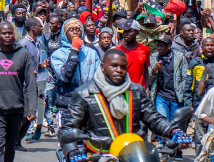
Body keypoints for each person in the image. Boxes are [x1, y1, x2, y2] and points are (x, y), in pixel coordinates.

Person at [59, 49, 187, 154]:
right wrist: (72, 151)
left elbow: (153, 118)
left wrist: (174, 131)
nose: (119, 70)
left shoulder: (137, 90)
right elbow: (68, 130)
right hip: (100, 154)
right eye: (114, 66)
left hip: (134, 154)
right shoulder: (84, 93)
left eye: (123, 67)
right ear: (103, 67)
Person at [0, 21, 38, 162]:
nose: (7, 36)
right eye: (3, 33)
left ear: (14, 35)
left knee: (11, 146)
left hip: (16, 109)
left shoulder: (23, 54)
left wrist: (32, 108)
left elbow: (30, 83)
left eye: (9, 33)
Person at [51, 17, 101, 115]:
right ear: (65, 33)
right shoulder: (57, 54)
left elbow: (99, 77)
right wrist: (74, 51)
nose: (75, 32)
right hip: (67, 106)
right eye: (71, 30)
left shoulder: (91, 53)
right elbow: (65, 76)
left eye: (78, 30)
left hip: (88, 104)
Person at [116, 18, 151, 87]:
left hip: (139, 90)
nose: (125, 34)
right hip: (122, 89)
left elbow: (146, 69)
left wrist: (146, 89)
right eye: (124, 31)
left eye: (129, 31)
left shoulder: (145, 49)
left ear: (136, 32)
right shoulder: (117, 50)